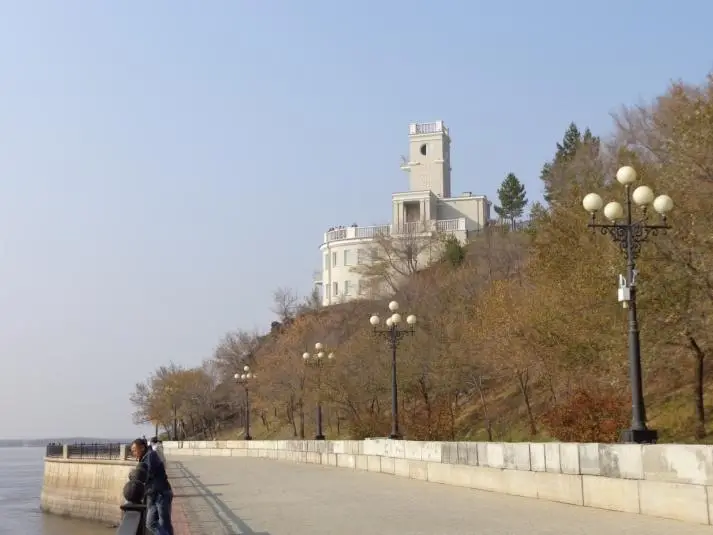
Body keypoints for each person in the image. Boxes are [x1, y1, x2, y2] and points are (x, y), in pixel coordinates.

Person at [130, 437, 174, 535]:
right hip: (153, 495)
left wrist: (135, 475)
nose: (133, 453)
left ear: (142, 448)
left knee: (164, 524)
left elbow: (147, 474)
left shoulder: (151, 456)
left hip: (161, 494)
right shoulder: (145, 457)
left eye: (134, 450)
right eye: (132, 451)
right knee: (150, 523)